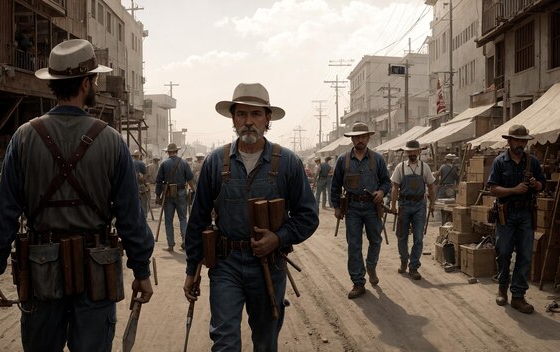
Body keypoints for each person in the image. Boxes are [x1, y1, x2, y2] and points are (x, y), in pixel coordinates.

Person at [0, 39, 154, 352]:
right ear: (86, 83)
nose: (95, 84)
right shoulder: (112, 142)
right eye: (95, 79)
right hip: (96, 273)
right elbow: (131, 218)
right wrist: (141, 271)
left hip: (41, 269)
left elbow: (3, 216)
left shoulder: (24, 137)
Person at [183, 82, 318, 350]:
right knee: (224, 340)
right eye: (242, 114)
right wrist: (191, 269)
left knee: (266, 340)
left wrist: (278, 238)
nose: (248, 122)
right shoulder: (214, 162)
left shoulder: (288, 162)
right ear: (233, 119)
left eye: (256, 114)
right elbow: (198, 219)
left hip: (269, 265)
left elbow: (308, 216)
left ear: (268, 119)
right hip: (225, 265)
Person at [488, 124, 544, 314]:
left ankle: (518, 296)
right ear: (509, 141)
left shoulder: (533, 162)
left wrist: (537, 185)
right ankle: (502, 287)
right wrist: (513, 190)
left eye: (523, 141)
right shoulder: (499, 162)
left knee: (525, 254)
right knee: (503, 251)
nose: (520, 144)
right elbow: (493, 188)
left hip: (526, 214)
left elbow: (542, 184)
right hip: (506, 213)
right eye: (517, 140)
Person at [331, 122, 390, 299]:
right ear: (352, 139)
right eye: (356, 137)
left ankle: (371, 266)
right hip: (353, 208)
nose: (360, 140)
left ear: (368, 138)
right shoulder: (343, 160)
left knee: (376, 240)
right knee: (354, 245)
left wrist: (381, 191)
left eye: (363, 137)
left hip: (372, 207)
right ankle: (358, 282)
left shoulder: (377, 159)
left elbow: (386, 182)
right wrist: (336, 206)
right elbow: (335, 186)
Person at [389, 140, 436, 280]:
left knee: (419, 238)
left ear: (419, 151)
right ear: (406, 152)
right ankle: (404, 260)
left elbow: (431, 186)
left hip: (419, 206)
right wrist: (392, 206)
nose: (412, 154)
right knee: (401, 236)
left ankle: (413, 266)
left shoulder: (424, 167)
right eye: (409, 151)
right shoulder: (400, 167)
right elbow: (395, 188)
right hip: (404, 205)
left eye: (414, 151)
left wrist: (432, 203)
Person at [155, 143, 195, 252]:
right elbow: (190, 179)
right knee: (183, 218)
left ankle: (171, 245)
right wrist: (194, 191)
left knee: (168, 220)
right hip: (181, 193)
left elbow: (158, 182)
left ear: (168, 152)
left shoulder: (164, 164)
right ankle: (185, 242)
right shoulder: (184, 163)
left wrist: (158, 196)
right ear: (176, 151)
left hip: (168, 194)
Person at [133, 150, 149, 217]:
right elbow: (145, 176)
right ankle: (144, 215)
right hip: (141, 186)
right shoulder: (141, 163)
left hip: (133, 186)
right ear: (139, 156)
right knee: (144, 203)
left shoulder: (130, 163)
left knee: (134, 203)